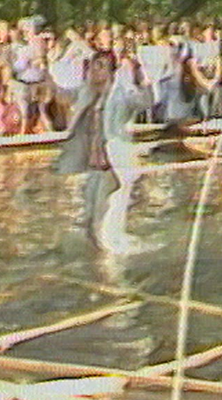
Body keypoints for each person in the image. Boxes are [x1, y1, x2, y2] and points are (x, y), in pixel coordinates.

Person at [56, 50, 153, 253]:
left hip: (115, 160)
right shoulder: (87, 92)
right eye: (92, 65)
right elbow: (62, 95)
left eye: (100, 66)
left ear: (111, 71)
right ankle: (98, 256)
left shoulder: (122, 93)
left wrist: (139, 77)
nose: (93, 70)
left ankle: (112, 261)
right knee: (90, 216)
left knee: (109, 216)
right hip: (93, 163)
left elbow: (146, 101)